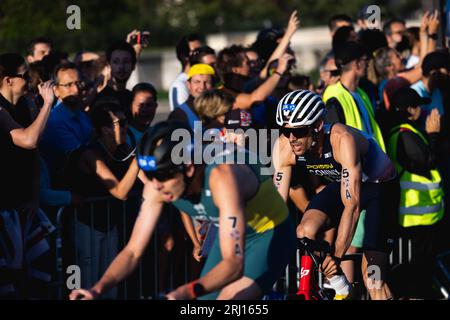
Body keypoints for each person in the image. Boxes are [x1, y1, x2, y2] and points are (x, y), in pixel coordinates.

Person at [69, 120, 296, 300]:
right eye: (150, 176)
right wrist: (97, 289)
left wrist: (184, 293)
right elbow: (132, 252)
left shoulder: (222, 177)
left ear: (188, 168)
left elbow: (233, 264)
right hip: (232, 236)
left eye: (162, 176)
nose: (156, 185)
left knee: (229, 299)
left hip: (269, 233)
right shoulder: (158, 183)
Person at [273, 89, 396, 300]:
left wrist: (337, 256)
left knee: (373, 278)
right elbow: (277, 206)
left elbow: (352, 206)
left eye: (300, 131)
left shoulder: (342, 140)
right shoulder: (285, 147)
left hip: (380, 188)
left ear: (318, 126)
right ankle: (343, 289)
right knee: (305, 231)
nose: (292, 138)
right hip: (345, 184)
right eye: (285, 131)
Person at [0, 53, 55, 298]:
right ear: (8, 80)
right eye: (23, 76)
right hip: (3, 209)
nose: (28, 81)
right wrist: (48, 104)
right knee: (10, 280)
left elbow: (33, 157)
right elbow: (29, 140)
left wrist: (33, 197)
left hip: (22, 206)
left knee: (42, 267)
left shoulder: (24, 105)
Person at [387, 87, 445, 299]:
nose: (422, 109)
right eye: (417, 105)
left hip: (425, 214)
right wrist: (434, 136)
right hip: (414, 216)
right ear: (408, 109)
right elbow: (427, 160)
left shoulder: (411, 131)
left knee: (424, 266)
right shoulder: (402, 134)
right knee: (417, 269)